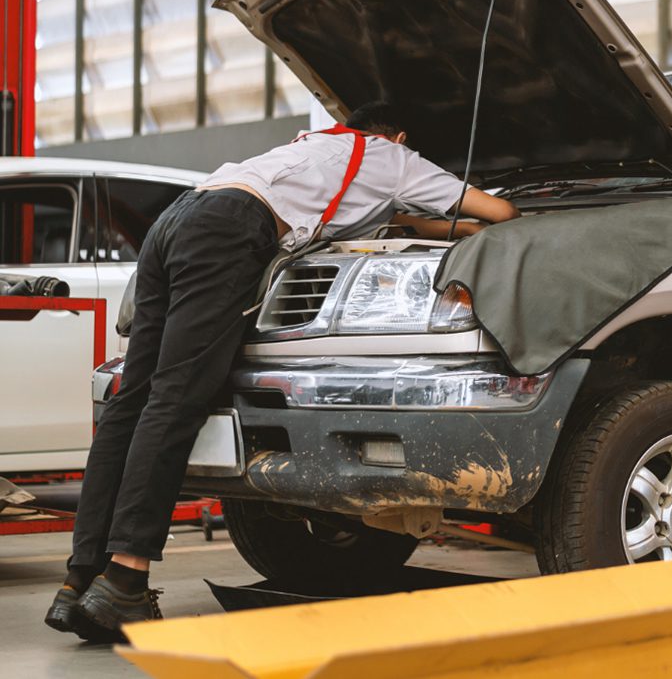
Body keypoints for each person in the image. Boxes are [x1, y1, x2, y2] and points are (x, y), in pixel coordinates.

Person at [45, 101, 519, 640]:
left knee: (133, 402)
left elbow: (377, 213)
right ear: (401, 136)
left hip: (178, 220)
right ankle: (125, 583)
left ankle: (79, 581)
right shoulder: (393, 157)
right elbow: (497, 214)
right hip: (227, 231)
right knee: (176, 403)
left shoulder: (310, 147)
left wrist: (407, 216)